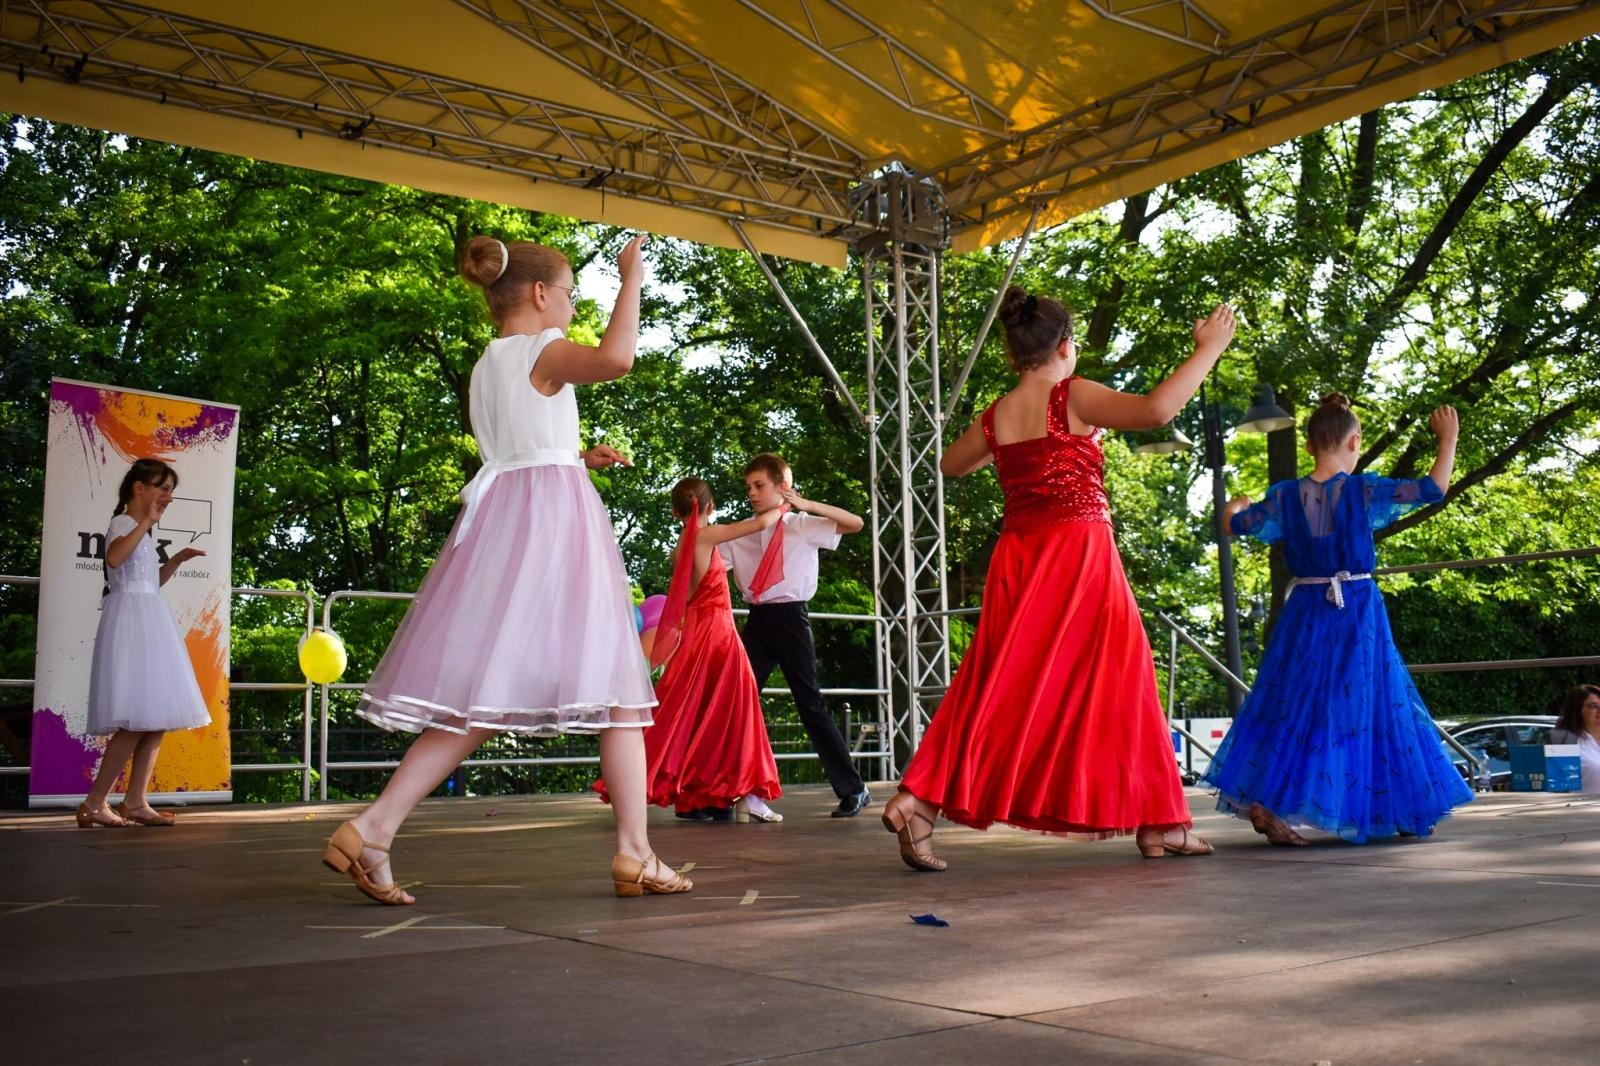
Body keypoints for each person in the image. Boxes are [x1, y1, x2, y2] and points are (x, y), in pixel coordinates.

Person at [322, 233, 692, 903]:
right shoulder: (542, 349)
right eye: (573, 293)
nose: (575, 305)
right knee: (617, 691)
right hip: (554, 526)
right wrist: (632, 277)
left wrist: (576, 458)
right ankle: (634, 853)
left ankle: (373, 828)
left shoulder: (489, 361)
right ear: (542, 294)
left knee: (484, 695)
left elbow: (521, 449)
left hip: (509, 519)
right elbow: (616, 358)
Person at [884, 287, 1236, 871]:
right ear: (1066, 348)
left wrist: (1006, 449)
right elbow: (1155, 411)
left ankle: (923, 799)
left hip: (1019, 556)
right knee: (1120, 676)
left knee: (1001, 682)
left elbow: (950, 464)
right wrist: (1209, 350)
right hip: (1079, 553)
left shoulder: (997, 413)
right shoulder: (1072, 394)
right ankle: (1161, 824)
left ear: (1011, 354)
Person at [1204, 395, 1474, 843]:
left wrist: (1235, 503)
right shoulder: (1363, 490)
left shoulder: (1285, 497)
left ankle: (1268, 798)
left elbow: (1237, 525)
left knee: (1292, 701)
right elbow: (1432, 489)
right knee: (1372, 700)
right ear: (1355, 441)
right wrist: (1448, 439)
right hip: (1356, 607)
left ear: (1308, 447)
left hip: (1306, 610)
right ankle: (1398, 805)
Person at [594, 478, 784, 822]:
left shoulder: (681, 544)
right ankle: (729, 792)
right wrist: (786, 503)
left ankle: (701, 795)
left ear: (674, 511)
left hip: (695, 633)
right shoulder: (706, 535)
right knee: (732, 711)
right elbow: (760, 523)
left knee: (691, 711)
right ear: (709, 507)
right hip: (718, 632)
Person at [720, 454, 869, 817]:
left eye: (760, 485)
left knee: (810, 704)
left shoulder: (802, 524)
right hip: (757, 621)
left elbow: (856, 524)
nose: (752, 493)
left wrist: (809, 504)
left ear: (781, 486)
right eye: (749, 487)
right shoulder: (742, 532)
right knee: (735, 703)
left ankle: (854, 789)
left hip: (791, 619)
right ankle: (728, 791)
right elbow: (705, 562)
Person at [79, 458, 210, 829]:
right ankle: (94, 802)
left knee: (155, 720)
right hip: (132, 624)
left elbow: (149, 583)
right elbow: (116, 559)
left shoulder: (143, 531)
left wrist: (177, 561)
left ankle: (135, 801)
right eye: (162, 488)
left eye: (170, 490)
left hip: (150, 619)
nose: (168, 496)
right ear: (140, 487)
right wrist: (147, 522)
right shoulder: (124, 523)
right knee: (135, 720)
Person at [1551, 684, 1600, 794]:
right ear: (1577, 710)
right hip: (1583, 809)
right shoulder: (1563, 741)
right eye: (1593, 706)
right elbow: (1559, 788)